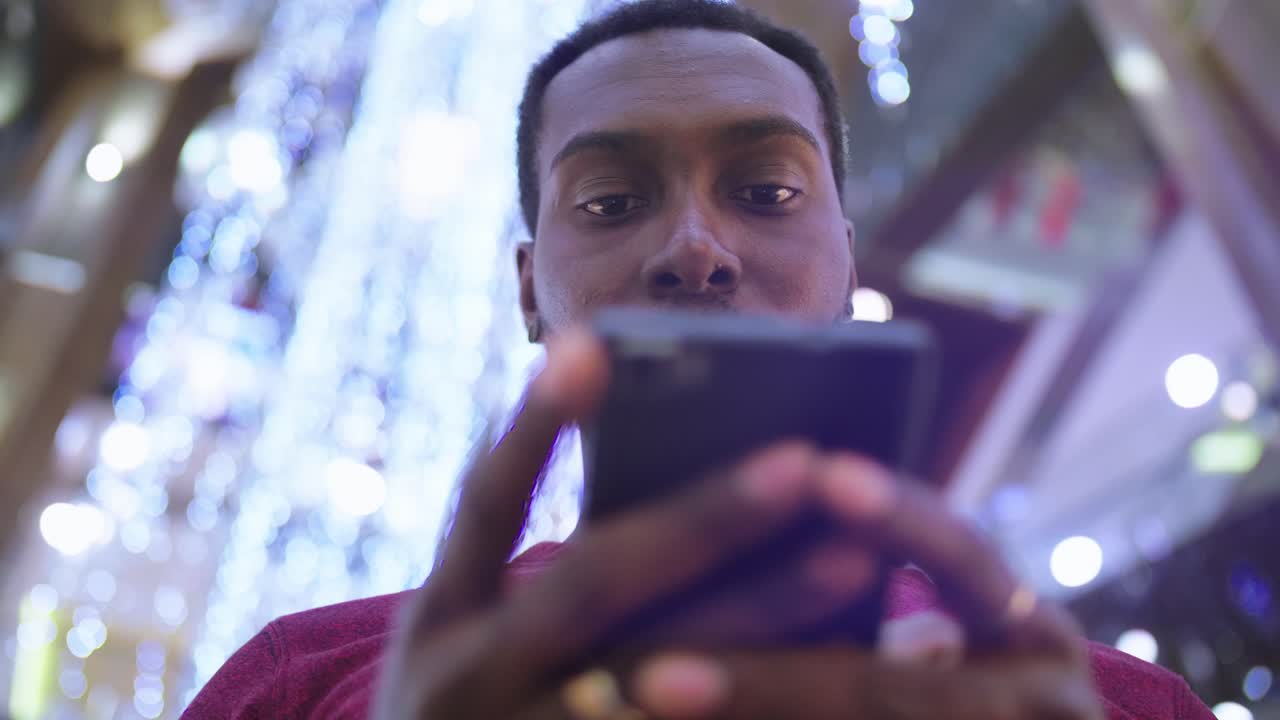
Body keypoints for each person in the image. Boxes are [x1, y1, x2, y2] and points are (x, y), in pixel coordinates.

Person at [183, 2, 1215, 718]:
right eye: (609, 203)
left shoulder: (1093, 705)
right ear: (530, 288)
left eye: (766, 192)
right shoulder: (305, 684)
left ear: (843, 256)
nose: (693, 251)